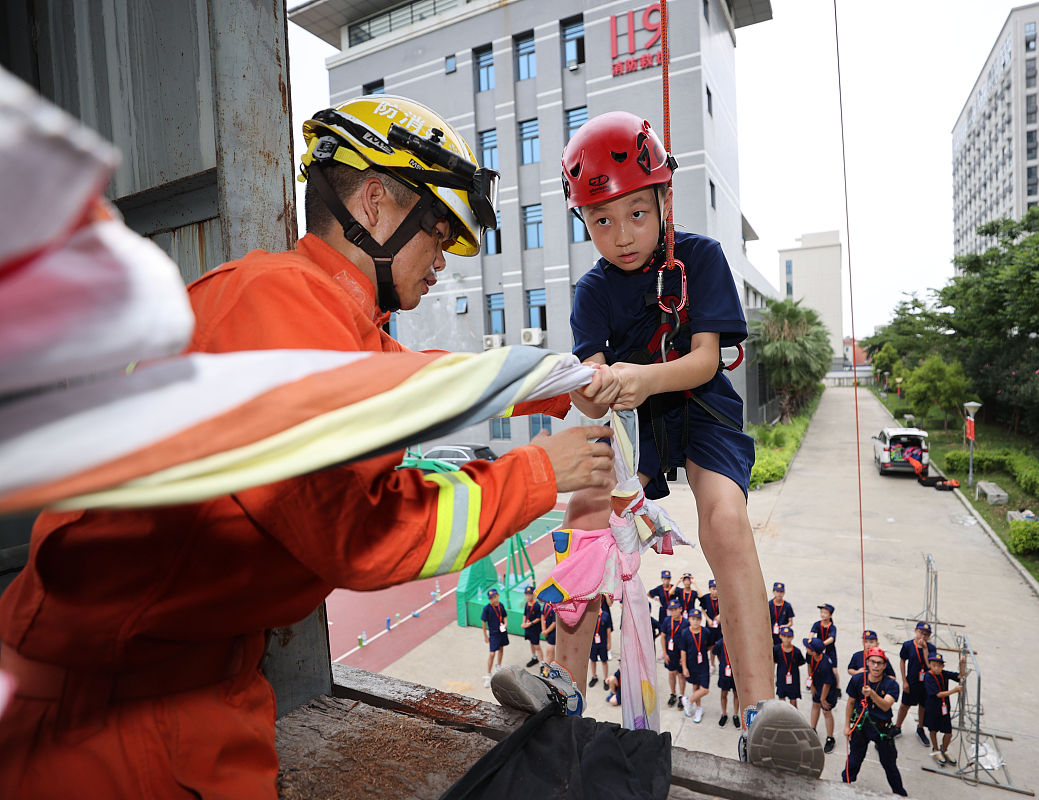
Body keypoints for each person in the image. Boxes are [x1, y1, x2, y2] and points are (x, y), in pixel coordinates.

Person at [0, 95, 617, 799]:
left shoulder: (306, 306)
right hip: (110, 703)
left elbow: (406, 385)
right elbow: (361, 535)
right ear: (377, 203)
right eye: (440, 230)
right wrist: (541, 472)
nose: (443, 257)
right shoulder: (279, 308)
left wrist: (562, 384)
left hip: (181, 679)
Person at [551, 111, 819, 770]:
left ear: (664, 200)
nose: (622, 236)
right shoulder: (590, 294)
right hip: (634, 420)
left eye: (636, 214)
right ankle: (561, 682)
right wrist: (589, 387)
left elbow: (703, 361)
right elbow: (592, 381)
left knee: (725, 520)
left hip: (700, 406)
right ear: (584, 224)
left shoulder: (698, 258)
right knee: (584, 513)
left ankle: (760, 710)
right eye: (602, 222)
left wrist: (641, 376)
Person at [842, 647, 907, 796]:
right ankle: (844, 785)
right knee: (853, 760)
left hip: (882, 729)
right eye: (873, 662)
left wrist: (871, 694)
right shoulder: (858, 679)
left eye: (879, 663)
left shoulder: (891, 685)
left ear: (885, 665)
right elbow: (851, 703)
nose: (876, 666)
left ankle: (900, 793)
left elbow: (885, 705)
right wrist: (847, 726)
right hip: (861, 727)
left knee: (889, 764)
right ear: (867, 663)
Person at [895, 621, 938, 745]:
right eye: (921, 633)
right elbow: (903, 661)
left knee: (923, 706)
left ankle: (920, 728)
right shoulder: (908, 645)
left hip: (926, 683)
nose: (923, 636)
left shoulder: (931, 648)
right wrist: (904, 681)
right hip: (912, 681)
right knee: (904, 705)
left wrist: (924, 648)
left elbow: (931, 665)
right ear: (915, 631)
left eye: (926, 634)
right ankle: (897, 727)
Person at [923, 652, 967, 765]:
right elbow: (938, 694)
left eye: (939, 665)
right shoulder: (928, 676)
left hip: (945, 708)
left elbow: (960, 676)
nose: (936, 668)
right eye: (934, 665)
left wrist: (962, 663)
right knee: (933, 730)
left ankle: (944, 749)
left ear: (943, 666)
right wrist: (954, 691)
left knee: (948, 733)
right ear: (930, 665)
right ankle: (936, 749)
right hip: (933, 708)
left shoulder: (943, 673)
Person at [679, 608, 721, 724]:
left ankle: (688, 700)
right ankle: (698, 709)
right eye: (693, 619)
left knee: (705, 689)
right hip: (691, 664)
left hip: (703, 665)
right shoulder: (685, 633)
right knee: (695, 687)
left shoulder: (706, 632)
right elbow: (683, 651)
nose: (695, 621)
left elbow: (709, 646)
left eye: (698, 619)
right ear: (689, 619)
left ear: (701, 620)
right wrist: (684, 667)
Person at [804, 637, 838, 755]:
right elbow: (809, 666)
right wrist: (811, 683)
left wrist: (822, 698)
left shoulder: (825, 665)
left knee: (826, 712)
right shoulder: (810, 655)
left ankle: (830, 738)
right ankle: (812, 730)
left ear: (814, 651)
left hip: (828, 690)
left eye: (808, 648)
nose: (806, 648)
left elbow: (827, 684)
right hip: (817, 683)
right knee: (815, 705)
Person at [661, 598, 687, 707]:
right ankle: (673, 694)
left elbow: (687, 641)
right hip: (670, 654)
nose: (674, 612)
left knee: (681, 675)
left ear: (680, 609)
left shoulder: (685, 623)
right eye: (671, 610)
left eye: (676, 609)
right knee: (671, 673)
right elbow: (663, 637)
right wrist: (665, 653)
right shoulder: (667, 620)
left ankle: (681, 696)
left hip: (680, 654)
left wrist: (684, 658)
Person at [481, 588, 509, 687]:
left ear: (498, 596)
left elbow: (505, 616)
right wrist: (485, 635)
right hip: (493, 634)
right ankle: (488, 675)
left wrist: (505, 623)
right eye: (491, 598)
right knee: (492, 654)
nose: (493, 599)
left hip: (502, 631)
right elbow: (483, 622)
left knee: (501, 649)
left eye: (494, 597)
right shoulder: (487, 609)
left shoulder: (501, 605)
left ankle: (499, 666)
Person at [587, 595, 614, 688]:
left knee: (604, 661)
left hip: (602, 642)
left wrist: (609, 643)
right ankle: (594, 676)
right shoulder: (590, 614)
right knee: (593, 660)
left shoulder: (605, 615)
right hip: (593, 642)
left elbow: (608, 630)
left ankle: (606, 679)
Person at [773, 627, 803, 708]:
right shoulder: (776, 649)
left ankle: (794, 720)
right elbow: (774, 661)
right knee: (781, 702)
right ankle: (782, 719)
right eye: (784, 636)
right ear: (780, 636)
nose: (786, 639)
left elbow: (800, 662)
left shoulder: (796, 651)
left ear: (792, 637)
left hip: (793, 680)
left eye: (789, 637)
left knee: (793, 702)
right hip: (781, 678)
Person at [810, 603, 839, 685]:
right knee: (814, 666)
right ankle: (812, 681)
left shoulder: (832, 627)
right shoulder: (817, 624)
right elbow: (812, 632)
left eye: (825, 613)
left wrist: (821, 644)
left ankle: (837, 686)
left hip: (830, 650)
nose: (823, 614)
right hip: (819, 650)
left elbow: (832, 638)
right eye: (822, 612)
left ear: (831, 615)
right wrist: (810, 641)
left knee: (834, 670)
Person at [714, 634, 739, 728]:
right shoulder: (720, 643)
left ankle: (735, 715)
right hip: (724, 672)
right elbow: (718, 655)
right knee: (724, 694)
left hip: (736, 673)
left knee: (736, 694)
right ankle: (724, 714)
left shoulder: (739, 643)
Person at [520, 585, 544, 668]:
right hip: (528, 628)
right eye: (526, 594)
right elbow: (525, 614)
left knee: (537, 645)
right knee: (531, 642)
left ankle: (542, 664)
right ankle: (534, 657)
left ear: (533, 595)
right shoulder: (527, 604)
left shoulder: (536, 605)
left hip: (534, 628)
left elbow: (539, 618)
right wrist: (523, 623)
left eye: (529, 594)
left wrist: (530, 624)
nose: (527, 596)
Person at [647, 569, 674, 640]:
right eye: (665, 578)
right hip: (663, 611)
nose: (666, 580)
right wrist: (656, 599)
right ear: (662, 579)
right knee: (663, 629)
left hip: (672, 611)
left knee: (672, 628)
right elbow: (649, 593)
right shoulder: (659, 589)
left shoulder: (673, 587)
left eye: (668, 578)